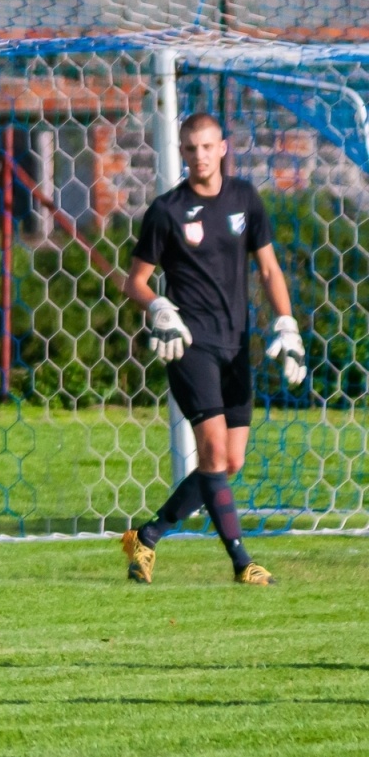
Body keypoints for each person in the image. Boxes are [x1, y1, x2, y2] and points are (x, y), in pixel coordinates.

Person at [119, 113, 307, 586]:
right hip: (190, 345)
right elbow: (134, 281)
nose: (199, 156)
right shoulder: (166, 210)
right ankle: (243, 563)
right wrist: (158, 305)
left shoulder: (245, 199)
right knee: (214, 455)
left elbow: (268, 269)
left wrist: (287, 324)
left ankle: (148, 535)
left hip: (236, 345)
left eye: (206, 146)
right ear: (182, 153)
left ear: (223, 148)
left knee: (229, 462)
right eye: (190, 148)